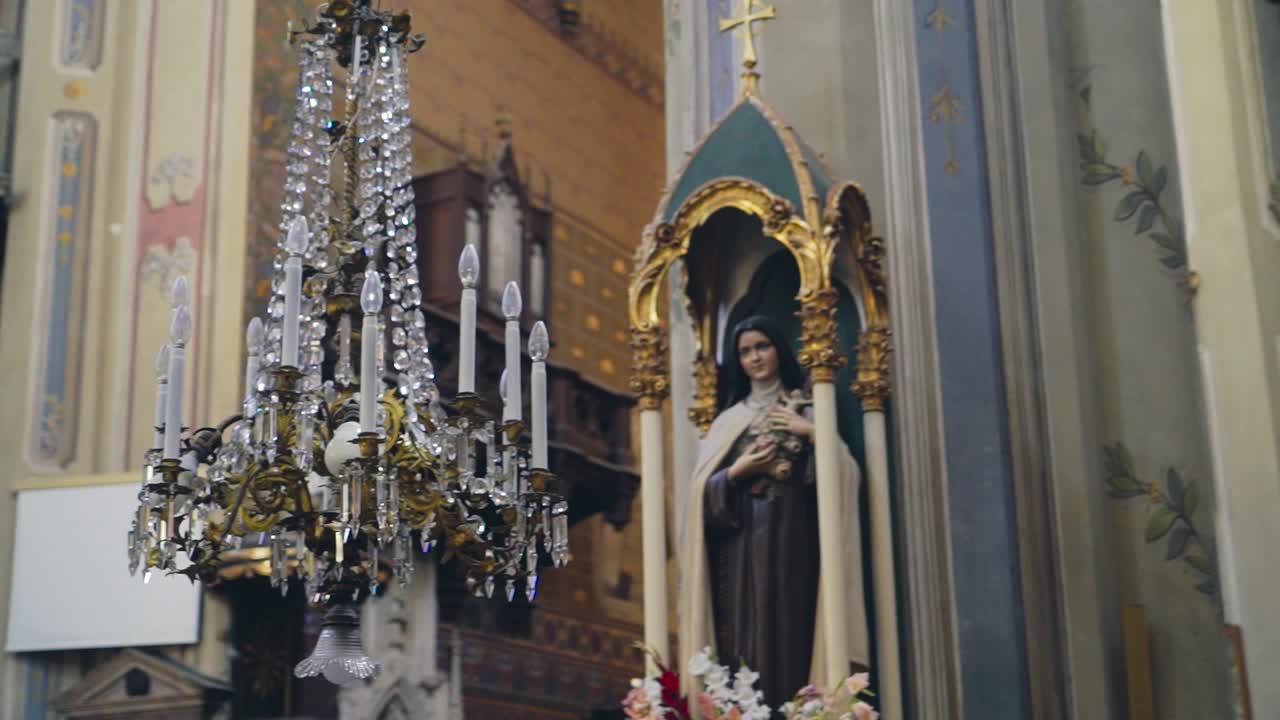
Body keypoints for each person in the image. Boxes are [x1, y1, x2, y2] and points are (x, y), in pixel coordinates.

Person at [678, 315, 868, 711]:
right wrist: (736, 473)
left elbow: (846, 477)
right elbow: (699, 500)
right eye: (745, 351)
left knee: (792, 632)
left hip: (795, 546)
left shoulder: (809, 410)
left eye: (761, 346)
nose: (754, 357)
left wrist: (812, 434)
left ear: (779, 349)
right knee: (746, 642)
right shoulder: (728, 421)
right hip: (741, 553)